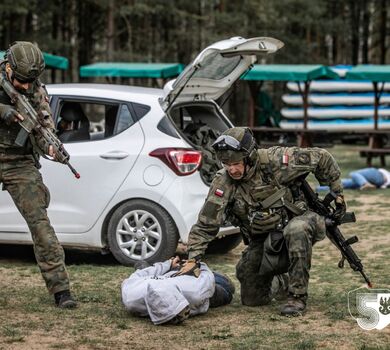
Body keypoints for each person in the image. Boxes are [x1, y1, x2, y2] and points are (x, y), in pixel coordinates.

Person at [178, 127, 346, 316]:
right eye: (226, 163)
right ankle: (281, 281)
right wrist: (193, 258)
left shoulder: (277, 160)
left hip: (302, 220)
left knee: (296, 229)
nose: (231, 169)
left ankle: (297, 297)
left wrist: (337, 193)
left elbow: (322, 157)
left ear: (248, 157)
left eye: (236, 163)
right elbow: (206, 224)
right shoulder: (223, 182)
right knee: (252, 298)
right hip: (265, 237)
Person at [0, 41, 76, 308]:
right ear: (7, 67)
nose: (25, 86)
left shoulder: (36, 92)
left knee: (41, 226)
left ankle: (61, 290)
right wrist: (4, 111)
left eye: (30, 81)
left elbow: (44, 128)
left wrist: (51, 147)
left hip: (19, 162)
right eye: (20, 80)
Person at [121, 257, 235, 325]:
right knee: (227, 288)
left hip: (175, 275)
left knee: (143, 267)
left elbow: (139, 275)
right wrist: (199, 266)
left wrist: (169, 264)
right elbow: (208, 279)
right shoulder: (196, 295)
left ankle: (147, 265)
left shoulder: (131, 297)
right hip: (206, 292)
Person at [317, 167, 390, 191]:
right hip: (378, 181)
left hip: (378, 174)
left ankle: (365, 184)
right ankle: (322, 188)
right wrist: (383, 185)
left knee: (353, 174)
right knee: (349, 183)